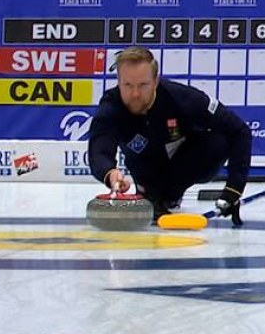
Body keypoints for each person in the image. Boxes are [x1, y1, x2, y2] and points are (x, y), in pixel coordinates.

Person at [88, 47, 253, 224]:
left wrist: (233, 191)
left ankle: (171, 194)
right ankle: (152, 195)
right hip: (144, 169)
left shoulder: (182, 98)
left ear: (155, 81)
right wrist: (110, 173)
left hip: (184, 162)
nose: (135, 94)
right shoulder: (112, 105)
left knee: (219, 140)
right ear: (118, 82)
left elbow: (239, 131)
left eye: (143, 85)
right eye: (127, 85)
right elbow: (99, 148)